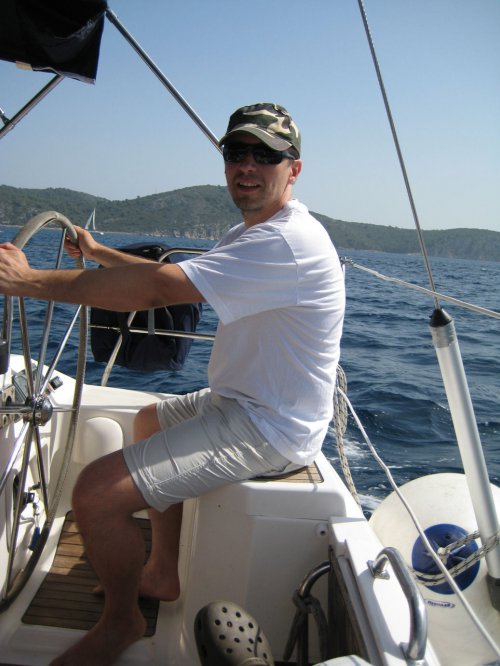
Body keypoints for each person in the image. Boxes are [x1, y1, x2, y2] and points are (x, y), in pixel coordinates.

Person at [0, 102, 345, 666]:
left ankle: (122, 622)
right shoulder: (255, 233)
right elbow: (178, 276)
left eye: (265, 155)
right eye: (236, 152)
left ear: (294, 169)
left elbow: (159, 290)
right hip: (245, 402)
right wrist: (98, 254)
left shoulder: (285, 242)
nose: (247, 166)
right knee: (147, 421)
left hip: (270, 427)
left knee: (94, 494)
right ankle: (161, 572)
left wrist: (30, 281)